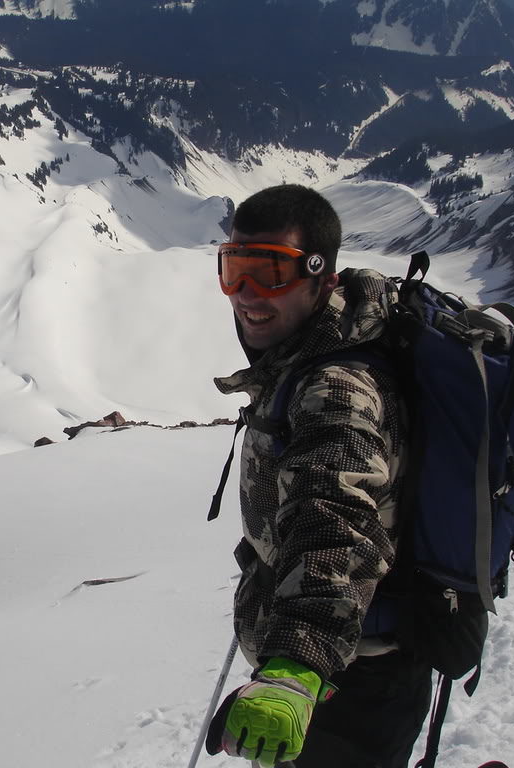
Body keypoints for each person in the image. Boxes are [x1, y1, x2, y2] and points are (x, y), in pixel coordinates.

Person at [204, 185, 433, 767]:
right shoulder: (303, 354)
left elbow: (336, 521)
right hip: (337, 665)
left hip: (347, 682)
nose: (246, 295)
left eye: (270, 272)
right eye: (235, 270)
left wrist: (294, 669)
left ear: (322, 277)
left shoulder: (336, 388)